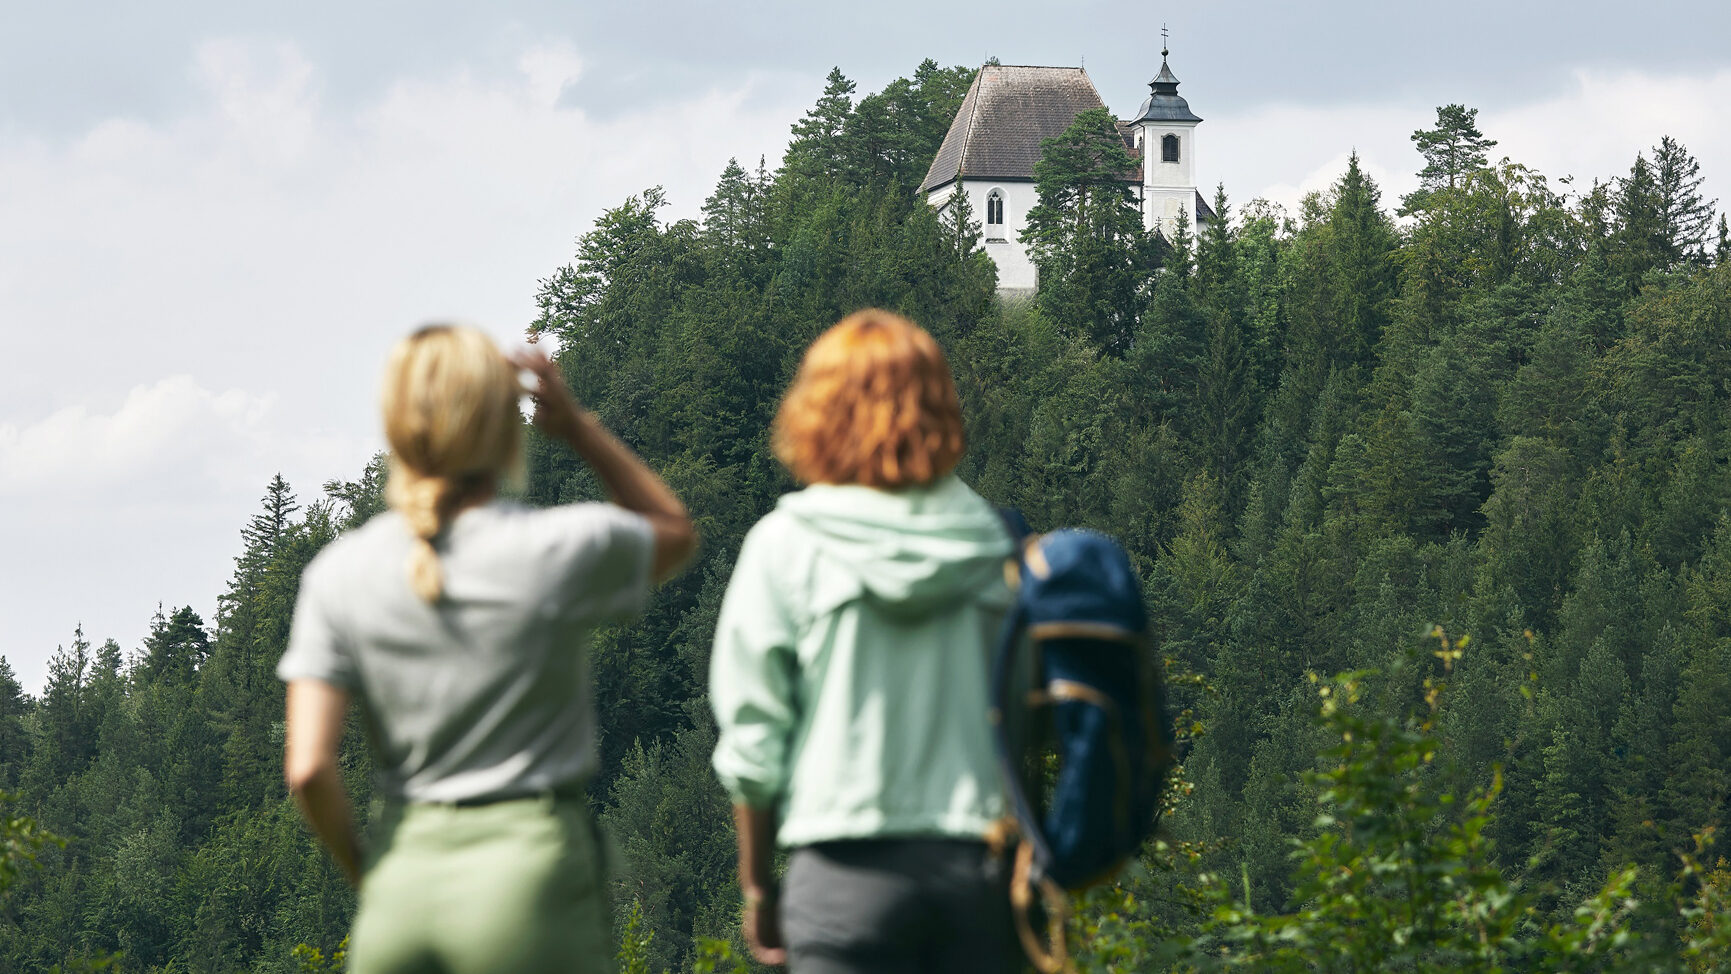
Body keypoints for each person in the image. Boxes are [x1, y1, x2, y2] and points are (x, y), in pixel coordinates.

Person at [278, 324, 696, 974]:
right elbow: (674, 531)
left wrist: (374, 878)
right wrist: (580, 428)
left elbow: (308, 769)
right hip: (529, 882)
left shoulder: (336, 574)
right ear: (504, 428)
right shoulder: (557, 548)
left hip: (402, 894)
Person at [709, 309, 1018, 973]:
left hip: (844, 877)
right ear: (939, 407)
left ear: (815, 409)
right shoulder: (991, 546)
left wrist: (759, 887)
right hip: (977, 878)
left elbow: (754, 742)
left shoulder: (787, 545)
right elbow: (1020, 723)